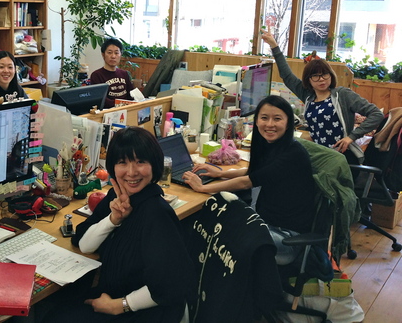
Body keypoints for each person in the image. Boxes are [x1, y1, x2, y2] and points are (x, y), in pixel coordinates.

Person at [45, 127, 195, 323]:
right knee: (55, 313)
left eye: (140, 162)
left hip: (148, 309)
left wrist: (119, 306)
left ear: (154, 165)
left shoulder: (157, 213)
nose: (131, 172)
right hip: (116, 294)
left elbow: (169, 285)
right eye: (122, 162)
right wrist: (113, 220)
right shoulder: (117, 196)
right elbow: (84, 244)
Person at [183, 95, 316, 265]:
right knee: (209, 222)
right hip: (265, 224)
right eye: (264, 118)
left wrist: (202, 188)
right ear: (257, 121)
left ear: (289, 122)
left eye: (277, 119)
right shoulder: (272, 146)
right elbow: (256, 172)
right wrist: (218, 173)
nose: (270, 124)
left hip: (286, 239)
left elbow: (247, 181)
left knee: (215, 232)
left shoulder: (293, 154)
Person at [260, 29, 383, 163]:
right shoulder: (308, 96)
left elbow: (376, 114)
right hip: (321, 155)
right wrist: (274, 45)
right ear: (309, 80)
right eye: (315, 76)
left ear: (331, 75)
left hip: (341, 158)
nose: (321, 79)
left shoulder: (342, 95)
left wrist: (352, 137)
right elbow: (287, 76)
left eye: (325, 74)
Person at [90, 38, 134, 109]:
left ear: (120, 55)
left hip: (126, 110)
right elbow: (101, 100)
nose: (113, 56)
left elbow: (131, 94)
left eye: (116, 53)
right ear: (103, 55)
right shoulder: (96, 75)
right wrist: (123, 104)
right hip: (108, 112)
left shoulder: (124, 74)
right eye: (109, 53)